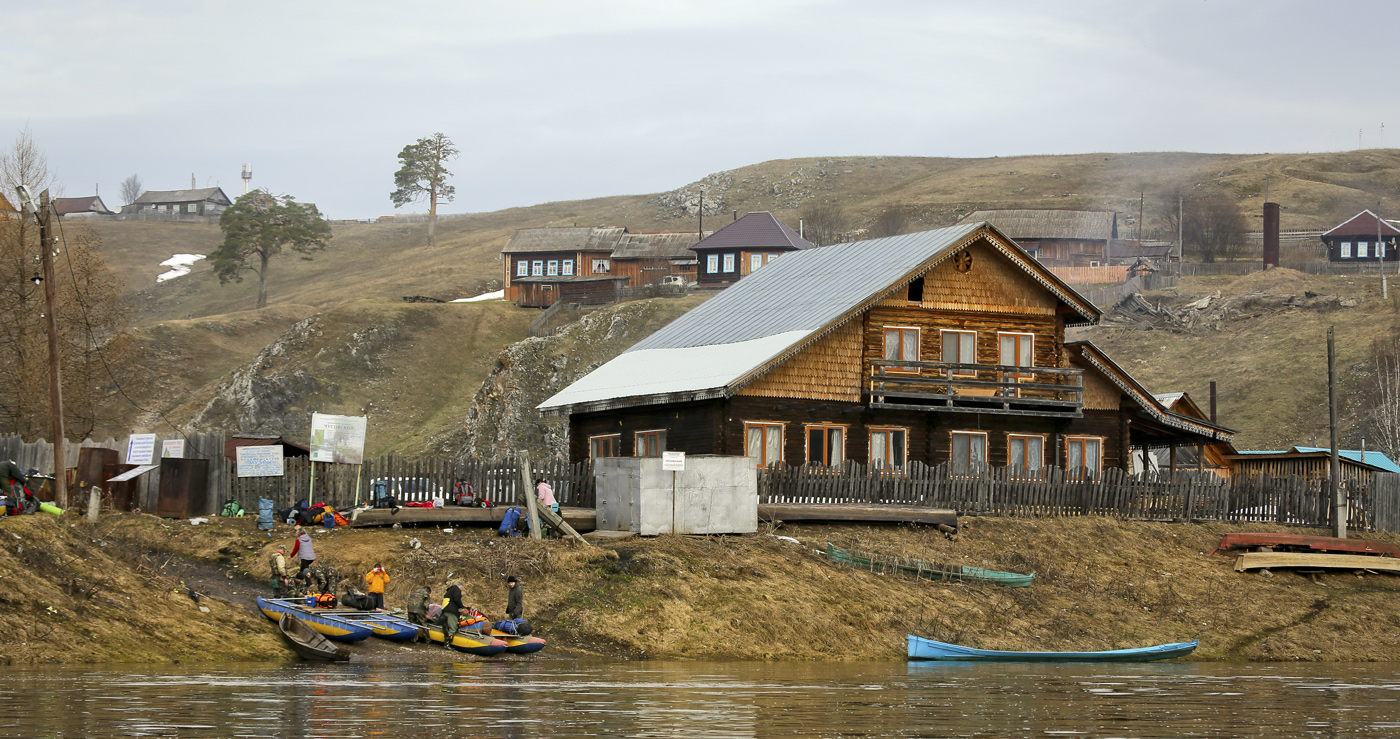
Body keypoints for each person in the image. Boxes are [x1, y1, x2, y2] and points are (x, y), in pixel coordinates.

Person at [442, 582, 464, 650]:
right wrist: (462, 607)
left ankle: (446, 643)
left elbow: (452, 600)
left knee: (447, 628)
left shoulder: (450, 591)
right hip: (452, 612)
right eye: (461, 590)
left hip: (445, 610)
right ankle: (447, 644)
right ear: (460, 587)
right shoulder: (457, 589)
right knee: (452, 628)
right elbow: (457, 599)